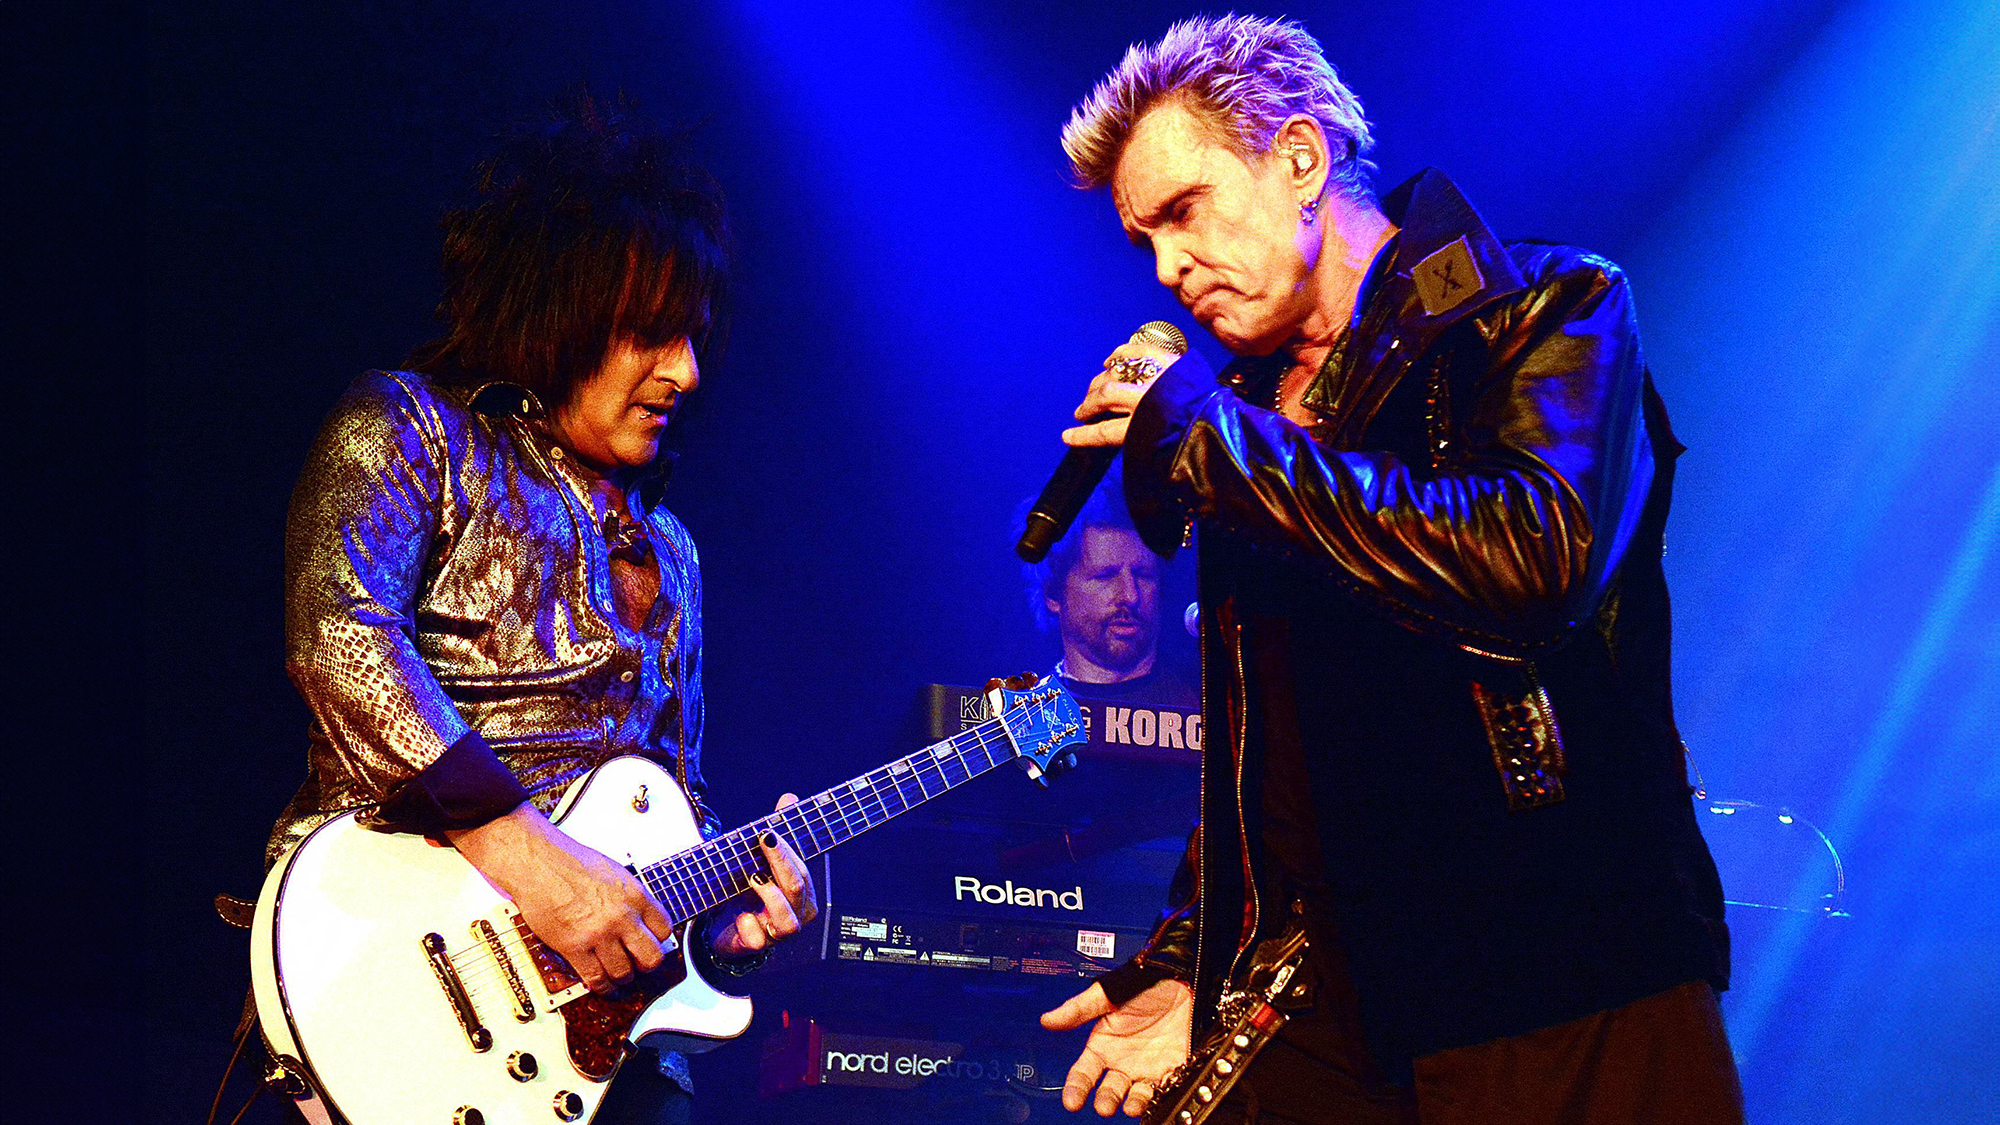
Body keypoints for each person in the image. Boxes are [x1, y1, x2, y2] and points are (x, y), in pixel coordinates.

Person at [1035, 16, 1739, 1124]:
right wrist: (1190, 956)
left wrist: (1221, 448)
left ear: (1300, 160)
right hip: (1350, 998)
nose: (1168, 268)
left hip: (1565, 970)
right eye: (1143, 243)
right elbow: (1265, 757)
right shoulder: (1249, 421)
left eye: (1183, 212)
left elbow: (1528, 561)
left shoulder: (1546, 314)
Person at [263, 95, 813, 1123]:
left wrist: (721, 923)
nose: (686, 373)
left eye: (693, 339)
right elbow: (338, 640)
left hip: (612, 1058)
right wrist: (530, 859)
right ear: (560, 313)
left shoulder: (676, 551)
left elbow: (669, 805)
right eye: (652, 335)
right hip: (394, 983)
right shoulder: (409, 428)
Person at [1024, 466, 1198, 709]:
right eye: (1105, 576)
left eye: (1143, 575)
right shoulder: (1030, 718)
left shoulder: (1208, 708)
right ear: (1053, 594)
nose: (1130, 595)